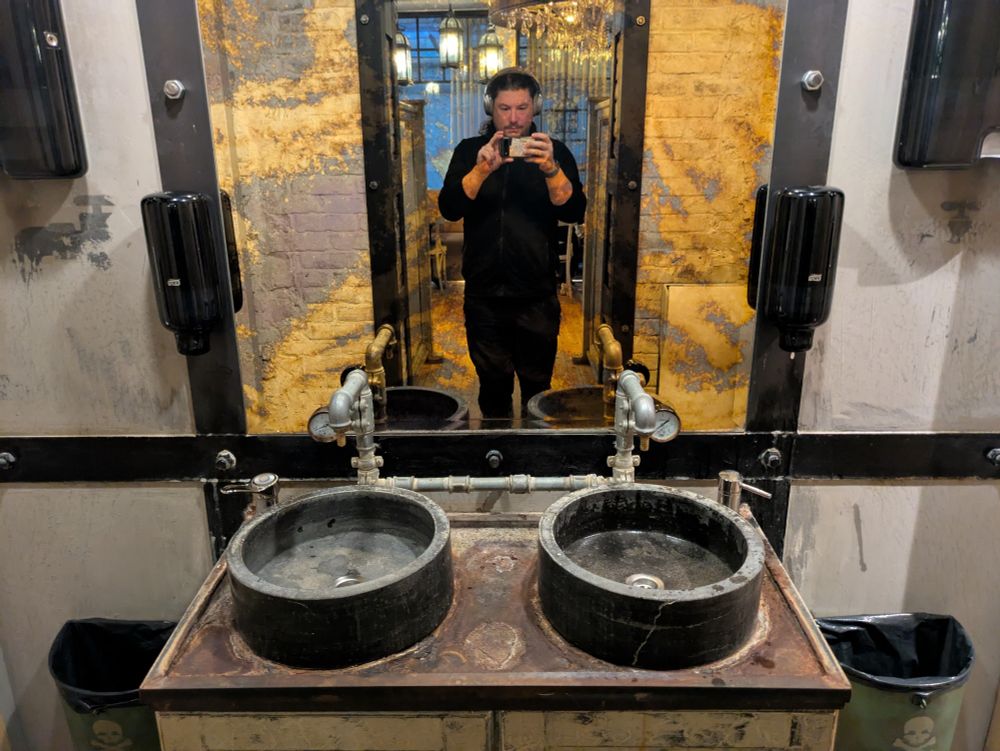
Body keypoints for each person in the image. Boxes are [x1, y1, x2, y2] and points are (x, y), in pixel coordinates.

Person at [438, 68, 587, 418]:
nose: (514, 118)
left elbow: (574, 210)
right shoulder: (469, 151)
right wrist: (482, 170)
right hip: (484, 297)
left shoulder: (554, 152)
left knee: (538, 390)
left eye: (521, 107)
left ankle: (537, 465)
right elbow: (450, 209)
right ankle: (498, 459)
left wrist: (551, 169)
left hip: (536, 296)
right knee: (492, 390)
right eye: (505, 108)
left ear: (534, 107)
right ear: (491, 108)